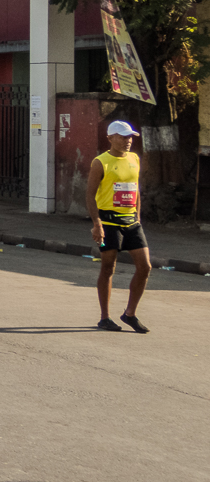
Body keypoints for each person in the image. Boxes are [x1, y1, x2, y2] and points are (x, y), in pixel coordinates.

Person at [86, 121, 151, 333]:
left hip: (131, 221)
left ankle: (129, 314)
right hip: (109, 221)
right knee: (108, 267)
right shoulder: (100, 162)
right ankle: (105, 317)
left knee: (145, 267)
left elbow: (135, 189)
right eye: (123, 136)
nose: (128, 140)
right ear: (110, 138)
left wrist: (138, 216)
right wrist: (97, 224)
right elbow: (89, 195)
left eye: (130, 136)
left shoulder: (134, 158)